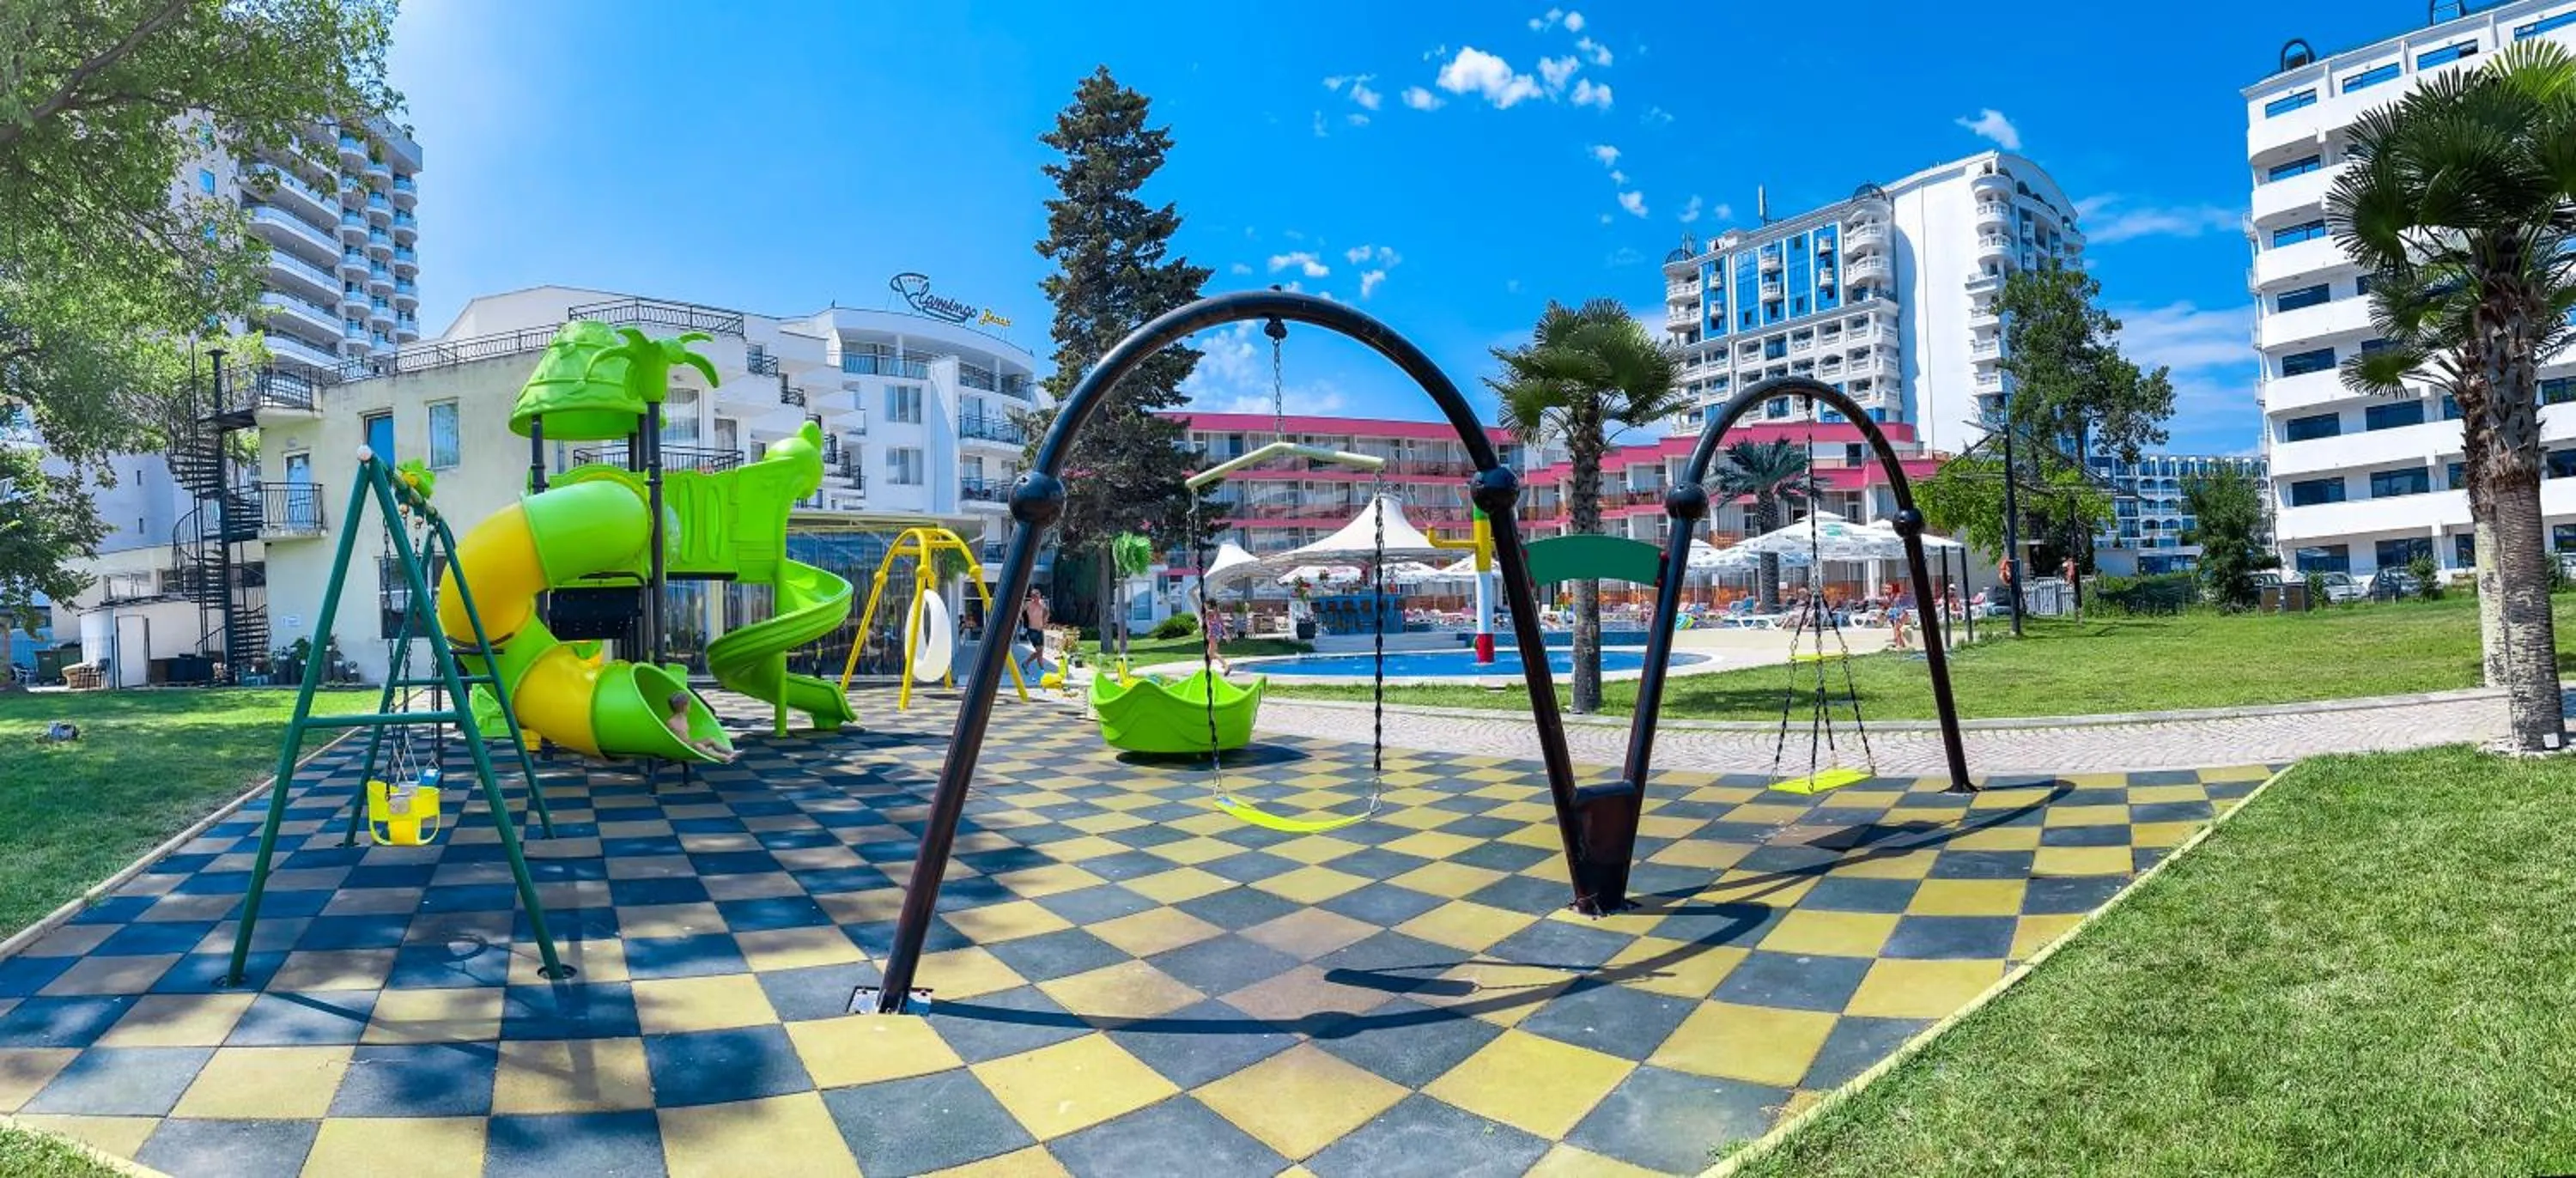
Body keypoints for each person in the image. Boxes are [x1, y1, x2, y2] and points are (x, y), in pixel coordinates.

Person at [666, 691, 735, 762]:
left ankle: (730, 752)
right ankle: (722, 757)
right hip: (682, 747)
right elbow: (670, 737)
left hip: (689, 744)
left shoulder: (683, 717)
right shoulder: (671, 722)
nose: (690, 707)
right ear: (684, 706)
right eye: (689, 705)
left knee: (709, 740)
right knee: (698, 746)